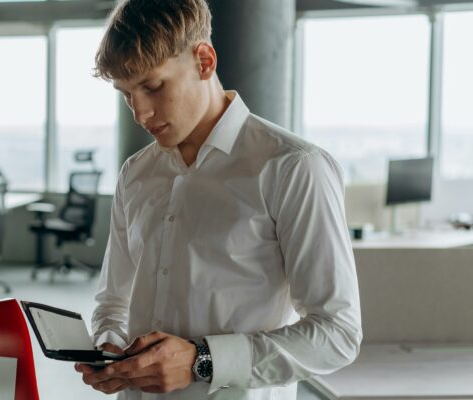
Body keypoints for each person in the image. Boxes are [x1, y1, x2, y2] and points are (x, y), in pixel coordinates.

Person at [74, 1, 362, 399]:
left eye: (153, 86)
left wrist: (201, 360)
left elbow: (338, 333)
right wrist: (108, 345)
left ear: (204, 61)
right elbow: (113, 301)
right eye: (126, 94)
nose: (139, 112)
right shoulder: (135, 174)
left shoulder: (294, 168)